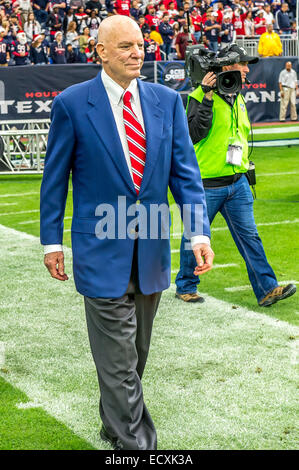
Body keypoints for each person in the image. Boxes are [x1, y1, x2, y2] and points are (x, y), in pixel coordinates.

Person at [40, 15, 213, 451]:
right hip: (100, 249)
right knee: (118, 362)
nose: (138, 52)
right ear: (100, 51)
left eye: (140, 45)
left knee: (134, 356)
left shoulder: (165, 101)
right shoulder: (73, 103)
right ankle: (139, 448)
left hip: (152, 249)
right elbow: (55, 178)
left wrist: (198, 235)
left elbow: (185, 174)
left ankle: (112, 424)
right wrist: (51, 241)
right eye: (125, 46)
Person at [175, 43, 296, 307]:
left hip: (237, 182)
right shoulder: (198, 95)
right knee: (194, 235)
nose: (245, 70)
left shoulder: (237, 95)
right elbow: (193, 135)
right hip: (206, 183)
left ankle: (267, 289)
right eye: (242, 65)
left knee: (250, 236)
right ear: (227, 66)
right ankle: (185, 285)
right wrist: (207, 98)